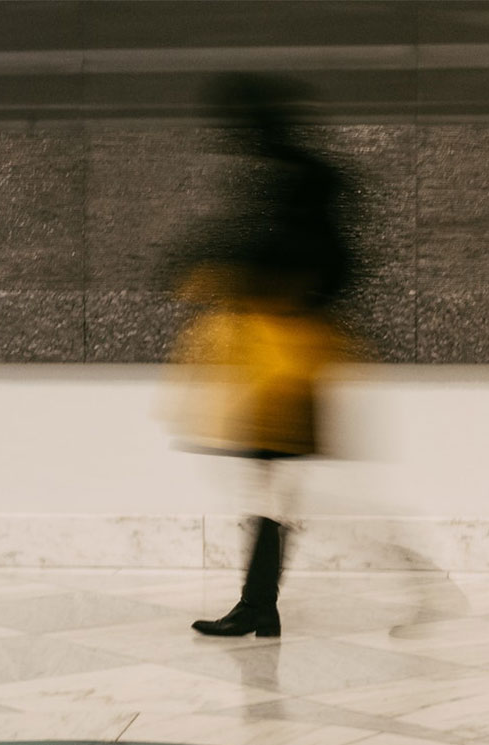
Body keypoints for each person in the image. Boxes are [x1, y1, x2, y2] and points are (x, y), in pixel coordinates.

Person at [165, 73, 360, 637]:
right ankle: (259, 604)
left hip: (283, 361)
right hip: (290, 356)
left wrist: (228, 272)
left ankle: (261, 604)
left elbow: (298, 258)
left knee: (269, 484)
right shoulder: (307, 179)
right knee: (269, 484)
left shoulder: (299, 183)